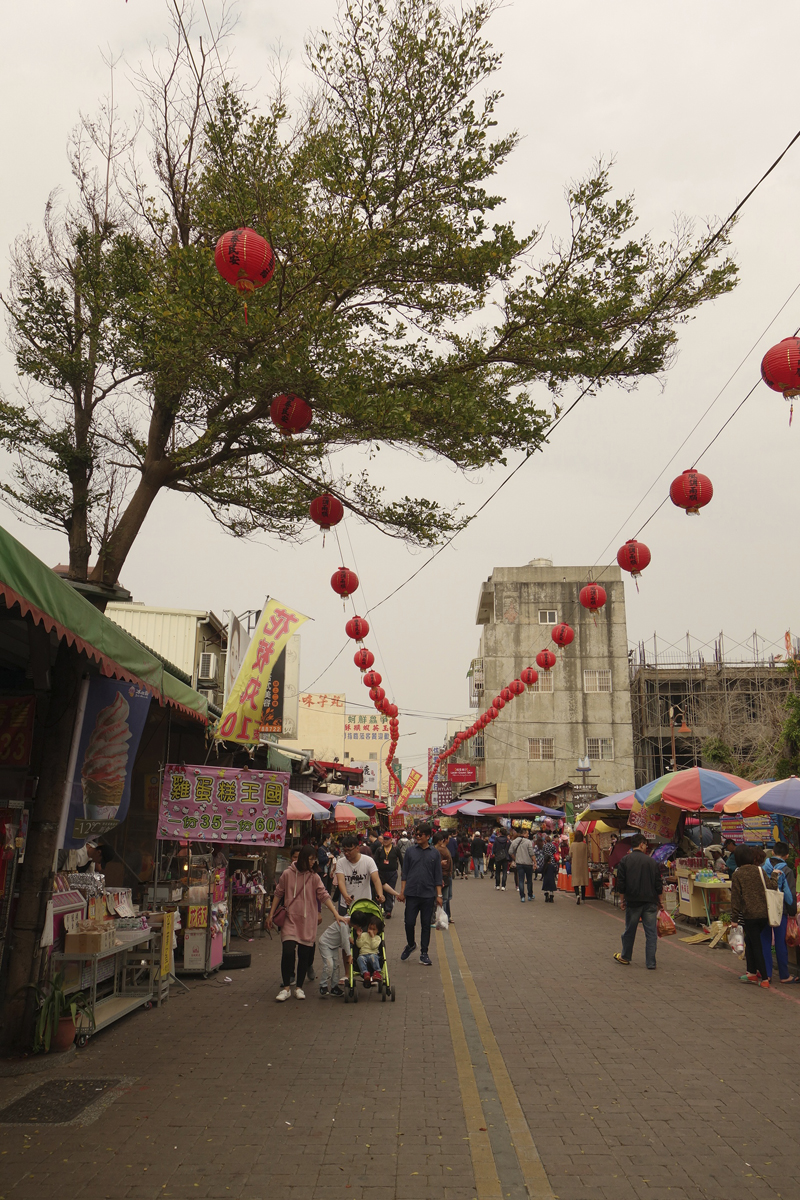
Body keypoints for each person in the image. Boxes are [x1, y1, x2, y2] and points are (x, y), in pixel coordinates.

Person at [267, 844, 345, 1001]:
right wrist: (270, 914)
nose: (312, 862)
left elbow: (324, 896)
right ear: (303, 858)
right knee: (288, 951)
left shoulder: (314, 877)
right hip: (290, 919)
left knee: (304, 954)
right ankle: (287, 987)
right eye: (310, 859)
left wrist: (336, 914)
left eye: (313, 860)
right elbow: (278, 893)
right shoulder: (287, 874)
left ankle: (299, 987)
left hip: (308, 920)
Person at [730, 845, 780, 987]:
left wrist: (734, 919)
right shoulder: (759, 870)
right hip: (764, 914)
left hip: (749, 915)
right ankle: (751, 973)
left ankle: (764, 978)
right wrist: (775, 875)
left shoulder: (737, 874)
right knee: (750, 941)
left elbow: (736, 899)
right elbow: (772, 886)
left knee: (756, 945)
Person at [613, 834, 665, 969]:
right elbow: (658, 884)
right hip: (650, 901)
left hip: (633, 901)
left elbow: (621, 883)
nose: (646, 847)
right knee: (651, 933)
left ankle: (625, 956)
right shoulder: (652, 862)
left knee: (630, 930)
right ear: (641, 844)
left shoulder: (625, 861)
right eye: (646, 844)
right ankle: (651, 962)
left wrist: (622, 900)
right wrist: (660, 901)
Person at [399, 823, 443, 966]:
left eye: (420, 835)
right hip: (411, 893)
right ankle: (411, 944)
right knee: (409, 922)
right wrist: (402, 892)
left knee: (425, 924)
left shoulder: (434, 853)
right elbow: (404, 873)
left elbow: (438, 875)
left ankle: (424, 953)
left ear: (428, 837)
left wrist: (439, 895)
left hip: (428, 894)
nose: (417, 837)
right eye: (416, 834)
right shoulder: (411, 851)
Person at [760, 841, 797, 985]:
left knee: (765, 941)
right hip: (780, 911)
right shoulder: (787, 871)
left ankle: (767, 974)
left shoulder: (762, 868)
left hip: (764, 908)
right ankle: (784, 975)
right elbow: (789, 895)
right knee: (780, 943)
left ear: (773, 852)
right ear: (787, 856)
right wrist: (793, 911)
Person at [334, 834, 385, 912]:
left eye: (349, 850)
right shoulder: (341, 862)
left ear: (357, 848)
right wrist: (346, 896)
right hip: (346, 905)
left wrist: (380, 895)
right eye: (344, 851)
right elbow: (341, 881)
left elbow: (376, 879)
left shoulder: (368, 861)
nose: (346, 853)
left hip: (365, 904)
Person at [317, 914, 352, 998]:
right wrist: (349, 955)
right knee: (329, 965)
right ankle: (323, 985)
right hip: (325, 944)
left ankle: (334, 987)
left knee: (336, 966)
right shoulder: (344, 925)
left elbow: (348, 936)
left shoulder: (348, 920)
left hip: (334, 945)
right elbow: (345, 942)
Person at [373, 832, 400, 918]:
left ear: (391, 840)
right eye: (384, 838)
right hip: (381, 873)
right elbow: (375, 861)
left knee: (390, 891)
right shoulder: (379, 850)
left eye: (387, 839)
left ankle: (389, 910)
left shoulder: (396, 849)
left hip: (392, 873)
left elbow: (402, 861)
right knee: (382, 891)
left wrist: (404, 871)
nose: (385, 840)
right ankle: (383, 908)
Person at [354, 917, 383, 986]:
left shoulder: (377, 938)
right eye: (370, 928)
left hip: (373, 954)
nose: (371, 931)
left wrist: (372, 937)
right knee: (360, 959)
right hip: (363, 954)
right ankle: (365, 973)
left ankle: (376, 972)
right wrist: (359, 937)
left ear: (378, 931)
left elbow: (373, 946)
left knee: (373, 957)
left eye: (373, 929)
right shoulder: (364, 935)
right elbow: (359, 945)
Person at [433, 830, 454, 920]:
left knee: (447, 897)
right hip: (443, 876)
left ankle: (447, 916)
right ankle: (443, 917)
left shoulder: (444, 849)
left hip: (447, 875)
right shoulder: (439, 850)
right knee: (444, 898)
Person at [510, 830, 535, 902]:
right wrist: (535, 862)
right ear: (523, 834)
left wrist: (515, 858)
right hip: (528, 864)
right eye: (527, 833)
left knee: (521, 880)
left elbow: (510, 852)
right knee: (529, 880)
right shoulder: (528, 842)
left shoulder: (514, 841)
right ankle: (530, 895)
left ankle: (522, 896)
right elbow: (531, 853)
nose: (528, 835)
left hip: (519, 863)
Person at [570, 831, 590, 904]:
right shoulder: (584, 845)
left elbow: (570, 854)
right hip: (583, 865)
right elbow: (588, 854)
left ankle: (577, 895)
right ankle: (583, 898)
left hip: (575, 865)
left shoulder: (573, 845)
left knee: (576, 881)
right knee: (583, 882)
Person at [540, 838, 557, 903]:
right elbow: (555, 852)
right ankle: (551, 897)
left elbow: (542, 852)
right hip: (552, 859)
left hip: (546, 860)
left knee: (546, 887)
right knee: (551, 888)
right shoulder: (553, 845)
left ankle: (546, 897)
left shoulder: (544, 846)